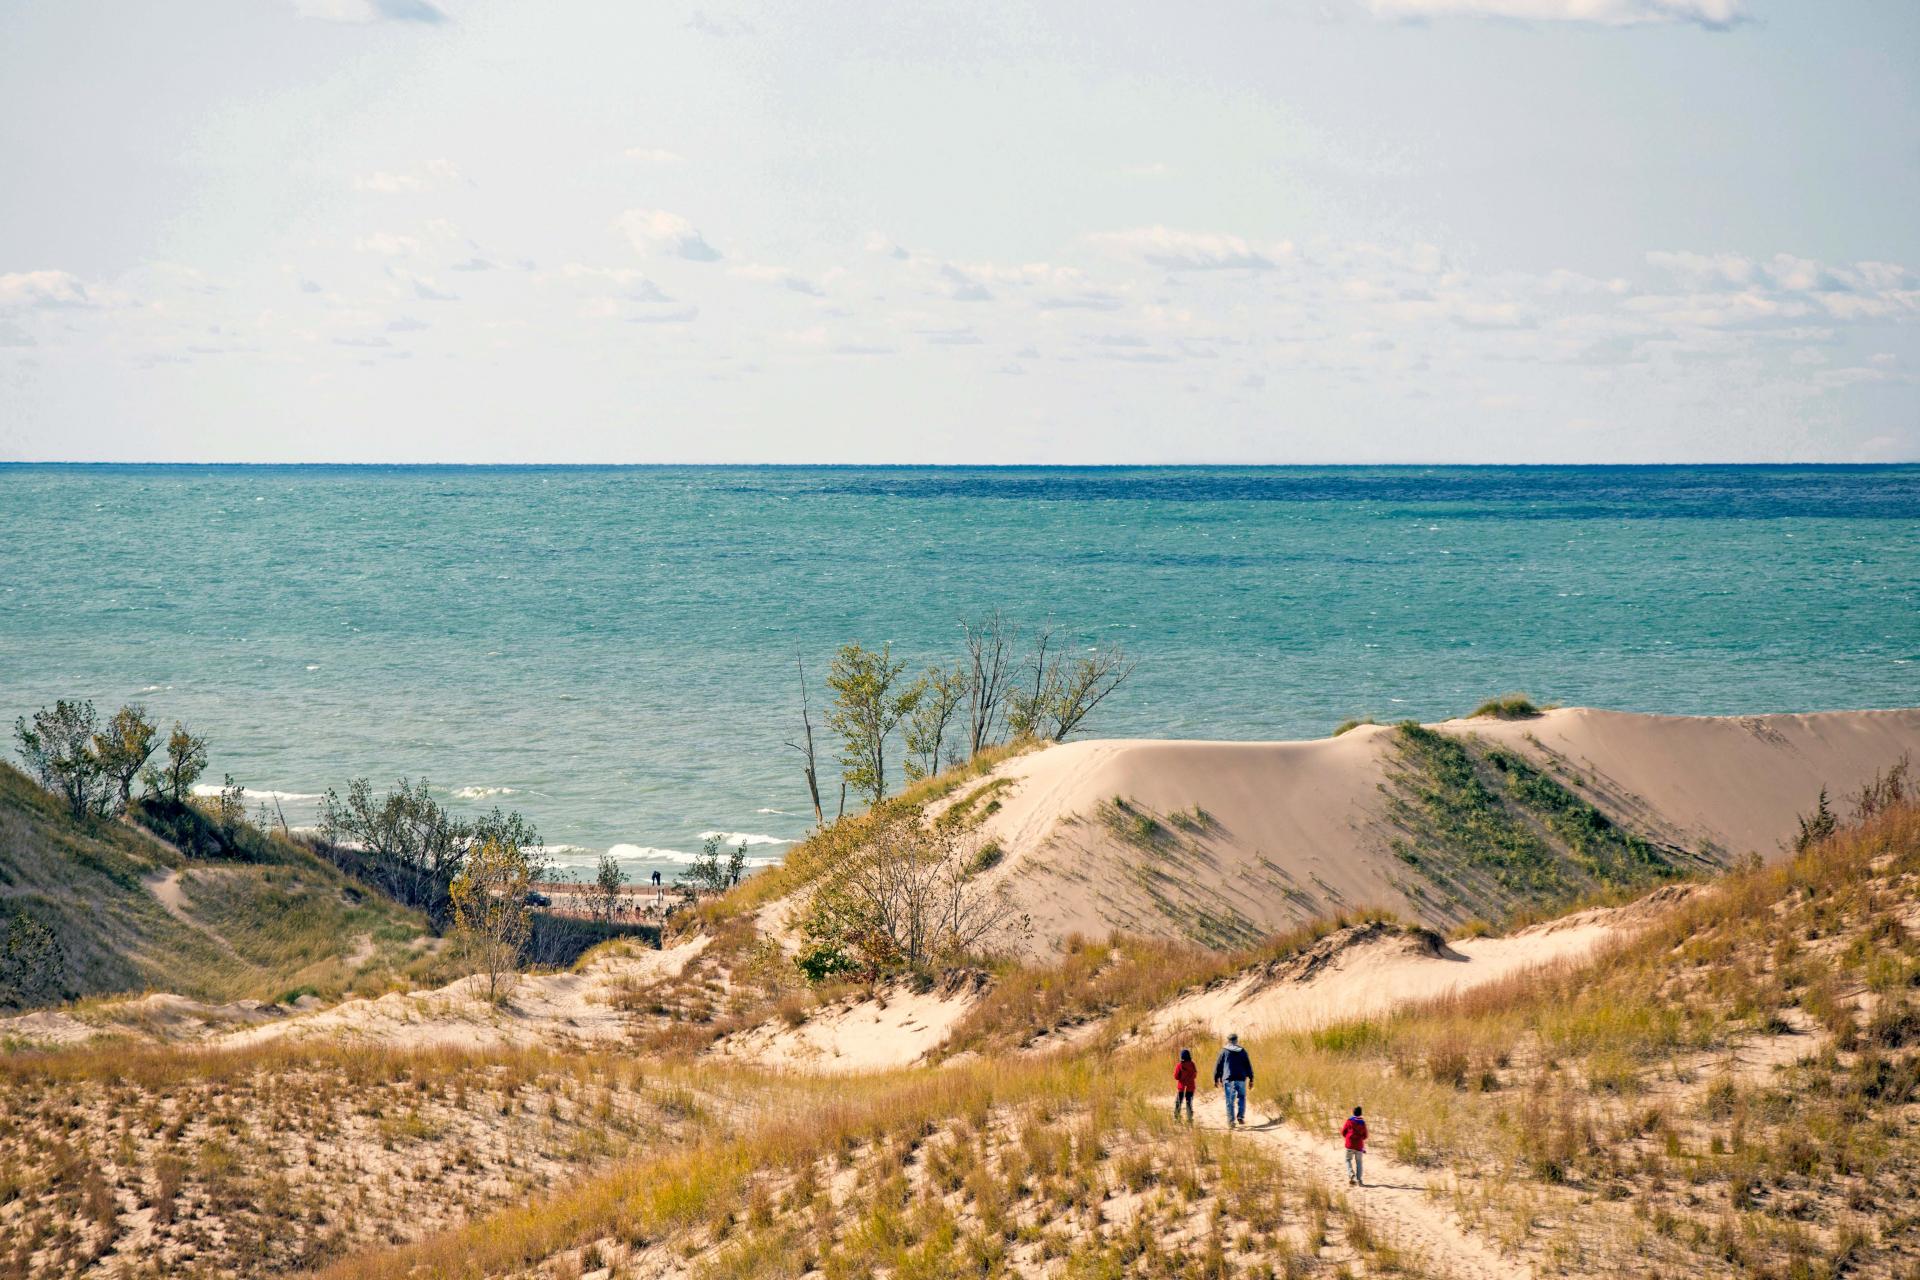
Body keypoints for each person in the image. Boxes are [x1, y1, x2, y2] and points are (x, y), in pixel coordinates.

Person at [1213, 1032, 1253, 1127]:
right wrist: (1251, 1078)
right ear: (1236, 1040)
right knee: (1242, 1097)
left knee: (1229, 1101)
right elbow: (1248, 1065)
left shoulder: (1223, 1051)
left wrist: (1216, 1079)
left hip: (1228, 1079)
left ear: (1228, 1040)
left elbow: (1218, 1066)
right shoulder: (1242, 1051)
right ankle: (1240, 1116)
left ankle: (1231, 1121)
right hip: (1241, 1078)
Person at [1341, 1105, 1368, 1185]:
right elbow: (1365, 1135)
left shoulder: (1349, 1121)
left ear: (1353, 1112)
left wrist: (1348, 1137)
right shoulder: (1362, 1123)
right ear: (1361, 1113)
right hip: (1359, 1146)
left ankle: (1351, 1174)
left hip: (1349, 1144)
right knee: (1359, 1162)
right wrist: (1360, 1139)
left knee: (1348, 1160)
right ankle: (1359, 1180)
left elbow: (1343, 1131)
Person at [1173, 1048, 1197, 1122]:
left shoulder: (1179, 1065)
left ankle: (1177, 1118)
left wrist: (1182, 1078)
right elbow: (1195, 1075)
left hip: (1182, 1087)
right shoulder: (1192, 1064)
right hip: (1190, 1087)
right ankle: (1189, 1118)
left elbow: (1176, 1077)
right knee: (1189, 1102)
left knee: (1179, 1102)